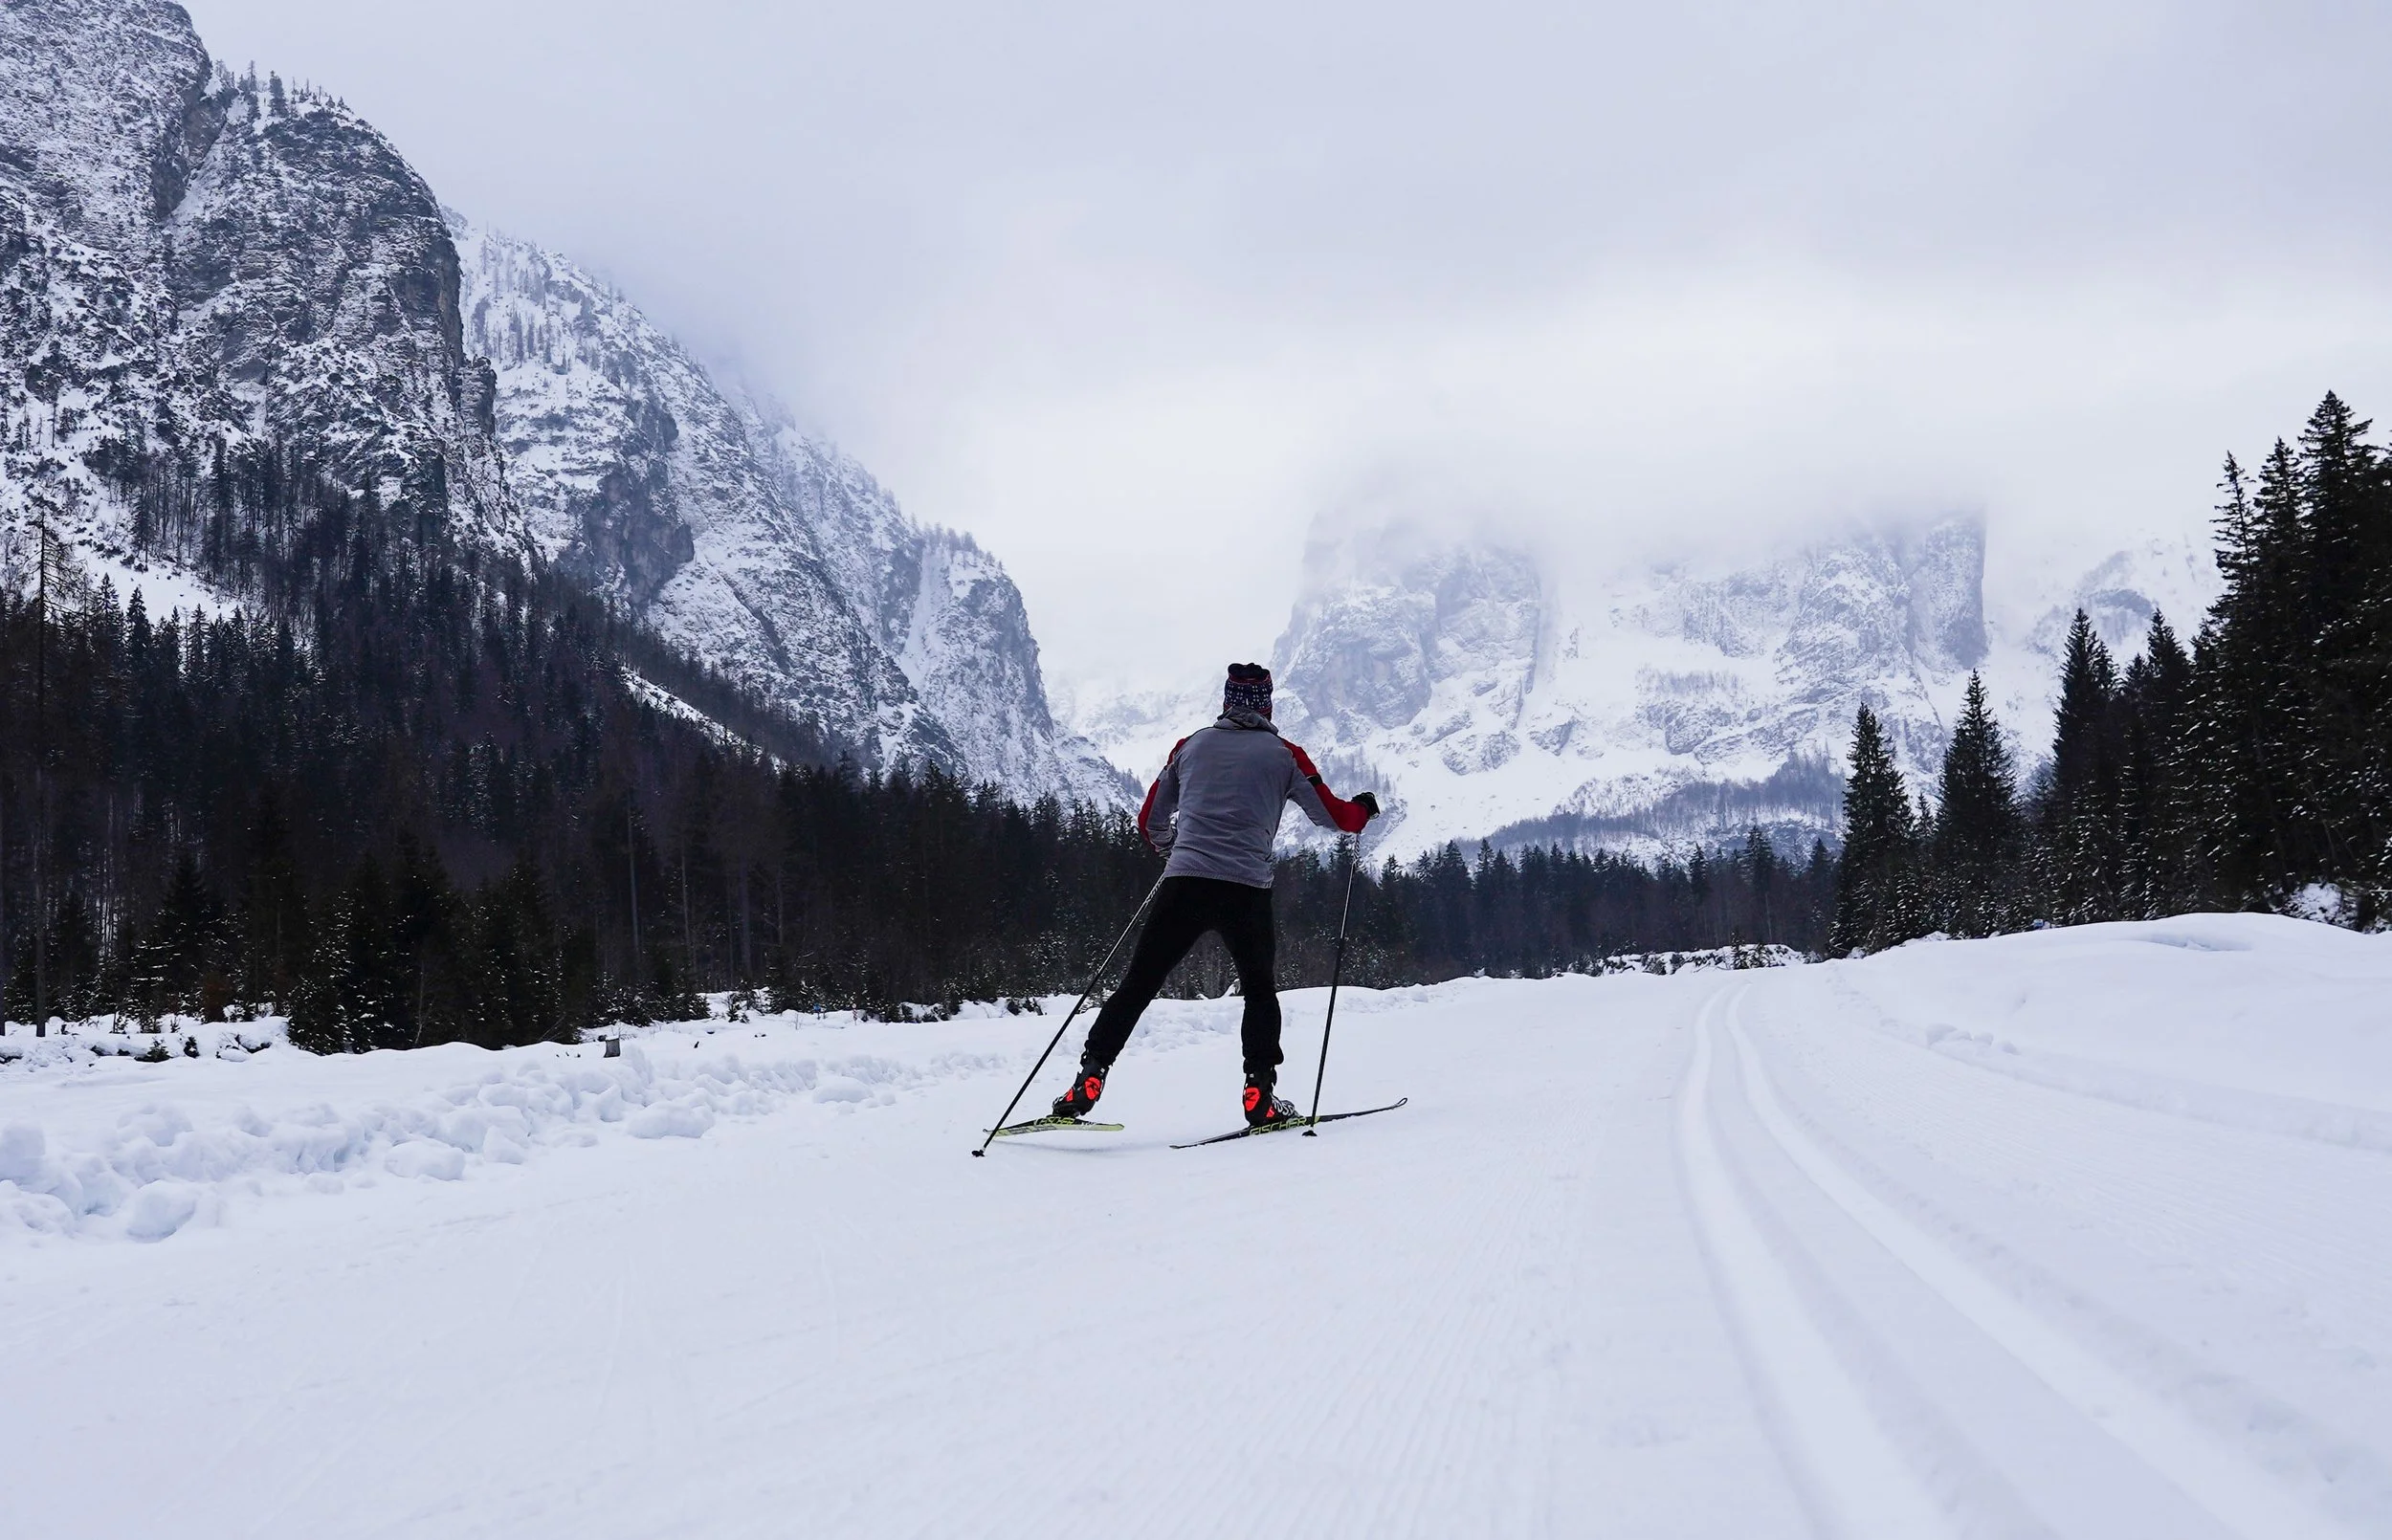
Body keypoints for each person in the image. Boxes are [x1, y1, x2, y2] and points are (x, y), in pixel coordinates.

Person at [1052, 662, 1380, 1129]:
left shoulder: (1190, 747)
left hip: (1184, 883)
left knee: (1139, 983)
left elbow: (1150, 822)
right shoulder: (1286, 755)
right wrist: (1363, 810)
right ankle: (1259, 1093)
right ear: (1266, 705)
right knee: (1260, 990)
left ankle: (1090, 1075)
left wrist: (1174, 851)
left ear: (1226, 702)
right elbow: (1335, 819)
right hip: (1246, 890)